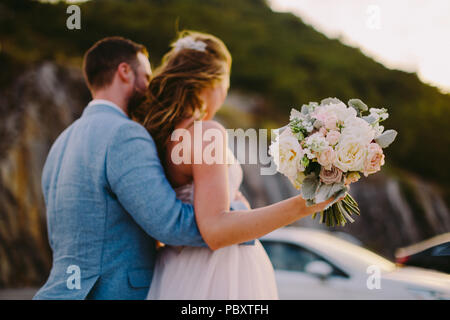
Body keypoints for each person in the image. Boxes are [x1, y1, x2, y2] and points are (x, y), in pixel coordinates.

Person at [131, 31, 341, 299]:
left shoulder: (162, 135)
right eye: (226, 88)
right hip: (215, 273)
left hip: (178, 270)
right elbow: (216, 230)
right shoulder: (205, 132)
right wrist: (304, 204)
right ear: (215, 82)